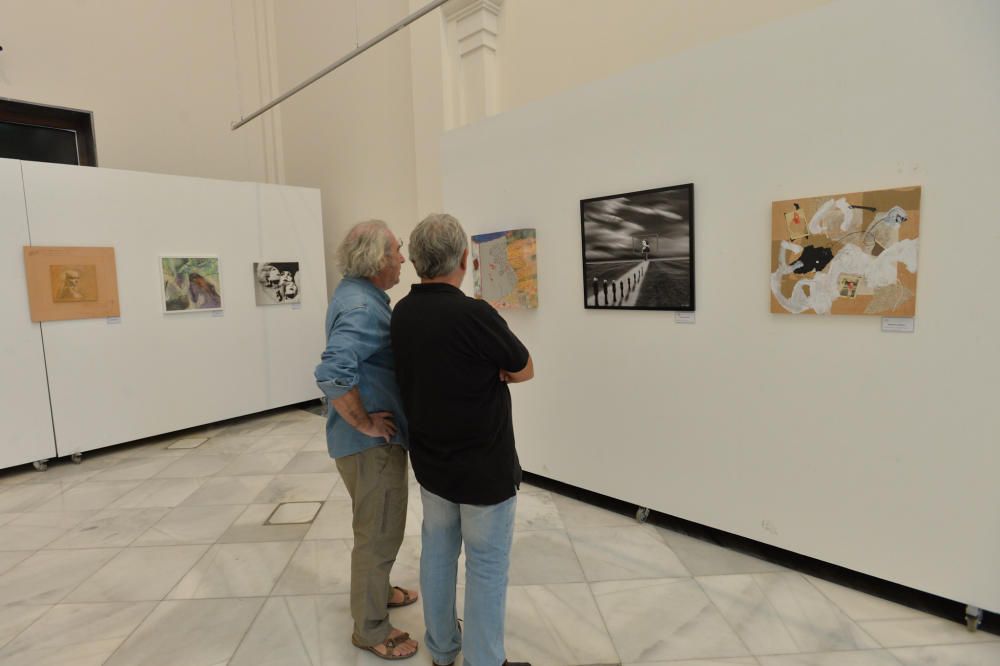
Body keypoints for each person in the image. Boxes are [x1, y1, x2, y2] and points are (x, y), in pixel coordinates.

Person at [391, 213, 533, 666]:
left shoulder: (403, 311)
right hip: (483, 469)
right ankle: (485, 660)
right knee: (486, 567)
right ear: (465, 259)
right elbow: (524, 367)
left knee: (437, 554)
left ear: (416, 261)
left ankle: (441, 650)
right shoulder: (474, 314)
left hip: (432, 463)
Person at [314, 219, 419, 661]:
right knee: (377, 535)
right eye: (397, 250)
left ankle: (378, 593)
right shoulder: (364, 308)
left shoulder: (356, 295)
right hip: (369, 449)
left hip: (360, 446)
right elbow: (333, 373)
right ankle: (371, 626)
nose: (402, 258)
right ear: (378, 259)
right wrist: (366, 424)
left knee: (381, 529)